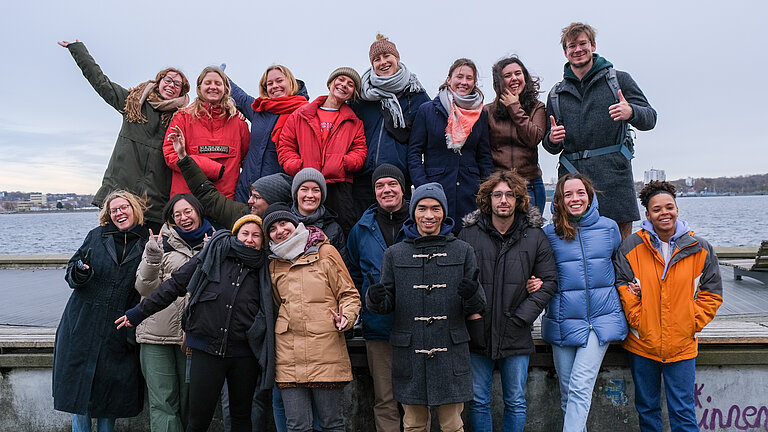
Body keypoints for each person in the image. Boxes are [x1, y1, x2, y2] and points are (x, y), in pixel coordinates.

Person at [116, 214, 275, 432]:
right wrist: (137, 313)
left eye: (256, 235)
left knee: (241, 417)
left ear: (263, 241)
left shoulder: (265, 266)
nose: (249, 239)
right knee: (198, 420)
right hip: (206, 349)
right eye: (244, 233)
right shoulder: (213, 255)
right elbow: (174, 286)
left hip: (244, 354)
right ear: (235, 235)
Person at [366, 183, 486, 432]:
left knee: (453, 425)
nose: (428, 215)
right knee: (413, 425)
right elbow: (386, 304)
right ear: (413, 212)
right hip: (410, 352)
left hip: (450, 351)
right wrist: (374, 298)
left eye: (435, 208)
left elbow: (477, 305)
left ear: (444, 212)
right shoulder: (394, 254)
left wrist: (472, 294)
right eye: (421, 208)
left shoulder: (463, 251)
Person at [613, 180, 723, 431]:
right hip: (642, 344)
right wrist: (639, 320)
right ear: (648, 214)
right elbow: (622, 285)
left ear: (677, 208)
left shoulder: (700, 248)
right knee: (647, 410)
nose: (664, 213)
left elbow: (712, 293)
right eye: (657, 209)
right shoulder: (631, 246)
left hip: (682, 345)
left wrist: (691, 322)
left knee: (683, 412)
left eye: (669, 207)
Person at [458, 170, 557, 432]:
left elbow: (548, 282)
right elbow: (458, 281)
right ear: (488, 199)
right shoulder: (469, 235)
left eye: (510, 195)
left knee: (515, 400)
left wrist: (523, 316)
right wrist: (472, 314)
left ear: (519, 200)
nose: (504, 200)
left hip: (516, 330)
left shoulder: (534, 236)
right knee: (479, 400)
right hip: (477, 331)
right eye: (498, 194)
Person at [58, 40, 190, 232]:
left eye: (177, 83)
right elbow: (101, 83)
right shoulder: (133, 104)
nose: (171, 85)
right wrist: (78, 50)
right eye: (168, 80)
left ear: (182, 91)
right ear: (158, 82)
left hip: (155, 203)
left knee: (149, 256)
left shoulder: (182, 119)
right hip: (120, 196)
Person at [542, 22, 657, 239]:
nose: (578, 49)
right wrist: (552, 139)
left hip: (614, 179)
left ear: (593, 46)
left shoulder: (619, 80)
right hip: (573, 182)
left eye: (583, 43)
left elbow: (650, 118)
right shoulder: (557, 93)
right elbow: (549, 146)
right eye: (572, 45)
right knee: (572, 249)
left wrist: (631, 111)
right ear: (565, 52)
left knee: (621, 253)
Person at [53, 190, 150, 432]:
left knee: (110, 399)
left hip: (119, 325)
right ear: (108, 215)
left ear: (134, 209)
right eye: (113, 210)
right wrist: (80, 271)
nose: (119, 212)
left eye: (123, 207)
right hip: (82, 322)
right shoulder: (96, 236)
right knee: (80, 397)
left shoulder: (147, 241)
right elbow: (71, 272)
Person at [540, 173, 628, 432]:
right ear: (559, 199)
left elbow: (621, 267)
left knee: (579, 387)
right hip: (562, 321)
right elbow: (542, 273)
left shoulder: (609, 228)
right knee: (568, 395)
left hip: (598, 322)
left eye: (580, 193)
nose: (575, 198)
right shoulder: (549, 234)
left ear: (590, 196)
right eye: (568, 194)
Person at [263, 204, 361, 432]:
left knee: (331, 424)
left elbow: (349, 294)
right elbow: (277, 305)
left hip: (325, 348)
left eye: (283, 223)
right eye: (273, 228)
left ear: (295, 223)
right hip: (288, 355)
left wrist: (346, 316)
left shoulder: (326, 252)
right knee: (297, 426)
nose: (280, 231)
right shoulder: (273, 264)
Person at [134, 193, 214, 432]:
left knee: (190, 403)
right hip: (155, 335)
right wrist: (152, 257)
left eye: (187, 211)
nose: (183, 217)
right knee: (163, 403)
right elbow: (144, 288)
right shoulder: (161, 244)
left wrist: (211, 256)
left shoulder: (216, 243)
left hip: (193, 337)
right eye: (177, 214)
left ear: (199, 212)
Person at [346, 164, 410, 432]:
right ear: (374, 192)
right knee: (384, 399)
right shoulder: (361, 229)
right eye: (380, 186)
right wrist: (367, 297)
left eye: (392, 184)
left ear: (402, 188)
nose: (387, 190)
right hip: (378, 328)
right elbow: (352, 273)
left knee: (416, 401)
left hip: (416, 327)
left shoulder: (420, 222)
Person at [277, 67, 367, 234]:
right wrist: (298, 166)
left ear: (353, 92)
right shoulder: (301, 114)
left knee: (343, 229)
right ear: (330, 83)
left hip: (339, 186)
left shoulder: (355, 122)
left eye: (350, 84)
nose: (344, 85)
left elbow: (359, 150)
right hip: (306, 182)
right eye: (340, 80)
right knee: (302, 229)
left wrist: (343, 163)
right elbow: (286, 145)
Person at [408, 58, 493, 231]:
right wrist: (423, 186)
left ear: (474, 83)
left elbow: (484, 156)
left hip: (470, 192)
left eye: (469, 78)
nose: (464, 82)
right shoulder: (428, 110)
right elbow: (414, 153)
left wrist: (487, 189)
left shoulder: (480, 114)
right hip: (436, 189)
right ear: (449, 79)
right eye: (459, 76)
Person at [351, 34, 430, 216]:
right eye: (377, 59)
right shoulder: (362, 96)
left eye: (387, 56)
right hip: (364, 180)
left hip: (399, 179)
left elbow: (425, 138)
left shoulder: (416, 95)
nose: (383, 62)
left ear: (397, 58)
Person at [169, 132, 292, 227]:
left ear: (273, 200)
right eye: (251, 195)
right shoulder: (242, 214)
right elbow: (207, 193)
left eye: (257, 197)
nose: (250, 200)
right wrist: (183, 157)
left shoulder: (291, 226)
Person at [164, 66, 250, 200]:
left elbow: (248, 160)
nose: (213, 87)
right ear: (199, 88)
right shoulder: (182, 117)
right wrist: (213, 168)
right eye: (208, 83)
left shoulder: (239, 123)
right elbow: (170, 154)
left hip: (224, 205)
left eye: (218, 83)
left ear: (226, 89)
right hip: (188, 204)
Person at [227, 64, 310, 203]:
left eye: (279, 81)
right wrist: (218, 74)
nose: (275, 86)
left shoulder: (305, 112)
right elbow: (239, 95)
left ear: (291, 82)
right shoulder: (259, 109)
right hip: (246, 191)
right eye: (269, 84)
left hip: (278, 194)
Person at [485, 56, 547, 214]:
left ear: (524, 77)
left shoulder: (537, 108)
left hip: (530, 184)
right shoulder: (488, 112)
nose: (514, 78)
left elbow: (533, 138)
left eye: (518, 73)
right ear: (499, 81)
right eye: (507, 75)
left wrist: (515, 107)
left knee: (531, 233)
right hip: (499, 185)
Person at [289, 168, 348, 263]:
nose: (310, 195)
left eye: (316, 190)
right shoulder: (284, 225)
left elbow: (342, 267)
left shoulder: (333, 228)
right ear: (296, 194)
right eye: (304, 189)